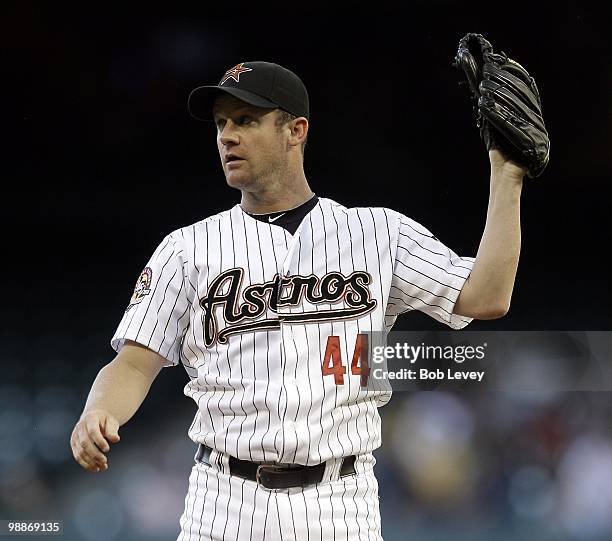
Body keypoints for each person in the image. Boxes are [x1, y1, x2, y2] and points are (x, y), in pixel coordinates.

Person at [70, 61, 525, 540]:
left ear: (295, 130)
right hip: (223, 502)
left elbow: (486, 296)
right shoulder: (187, 248)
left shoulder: (378, 233)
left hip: (340, 503)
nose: (227, 136)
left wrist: (508, 176)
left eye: (245, 119)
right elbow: (134, 364)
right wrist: (98, 411)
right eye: (222, 123)